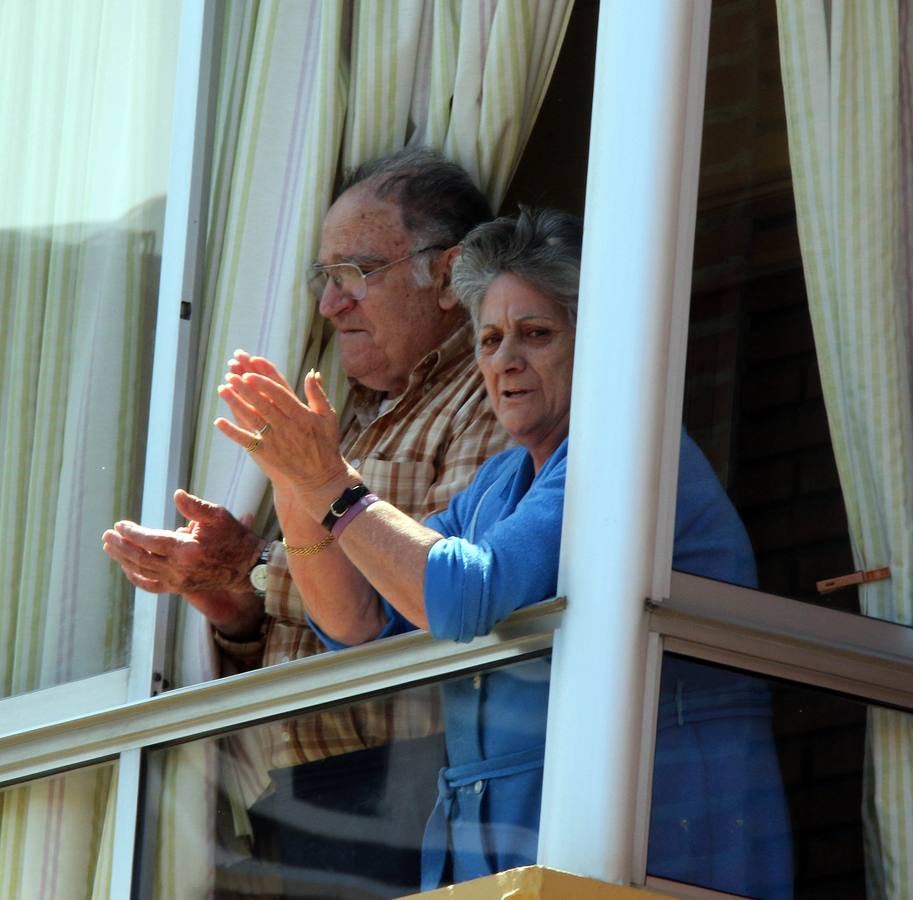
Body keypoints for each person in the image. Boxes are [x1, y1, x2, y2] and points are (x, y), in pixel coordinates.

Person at [214, 207, 790, 892]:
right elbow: (358, 620)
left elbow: (462, 595)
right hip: (503, 842)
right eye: (488, 340)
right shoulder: (501, 480)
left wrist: (329, 482)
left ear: (598, 341)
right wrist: (293, 479)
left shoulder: (622, 455)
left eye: (535, 334)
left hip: (658, 837)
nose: (505, 361)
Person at [102, 148, 513, 895]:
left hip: (419, 779)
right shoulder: (349, 414)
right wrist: (232, 596)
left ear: (449, 276)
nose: (330, 305)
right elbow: (325, 589)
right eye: (323, 279)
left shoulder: (492, 395)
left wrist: (268, 557)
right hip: (305, 789)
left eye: (356, 273)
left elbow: (436, 591)